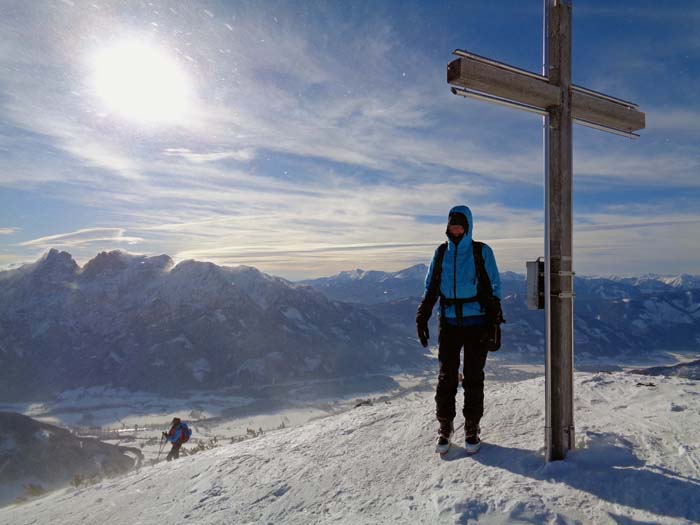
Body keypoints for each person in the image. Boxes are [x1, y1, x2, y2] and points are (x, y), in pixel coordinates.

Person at [416, 205, 502, 454]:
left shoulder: (480, 251)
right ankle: (445, 426)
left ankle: (471, 427)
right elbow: (431, 286)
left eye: (460, 225)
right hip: (449, 322)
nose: (455, 229)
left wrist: (493, 318)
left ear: (468, 226)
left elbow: (494, 284)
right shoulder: (441, 253)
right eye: (452, 225)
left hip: (477, 322)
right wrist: (423, 314)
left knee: (474, 376)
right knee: (447, 377)